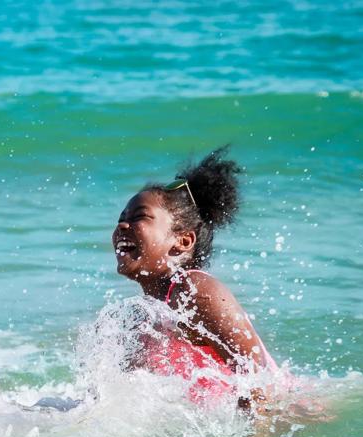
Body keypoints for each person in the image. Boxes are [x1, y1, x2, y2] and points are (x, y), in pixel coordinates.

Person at [112, 147, 276, 404]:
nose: (122, 225)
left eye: (139, 217)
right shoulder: (141, 316)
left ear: (183, 241)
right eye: (121, 218)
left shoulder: (195, 291)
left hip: (291, 415)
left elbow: (257, 381)